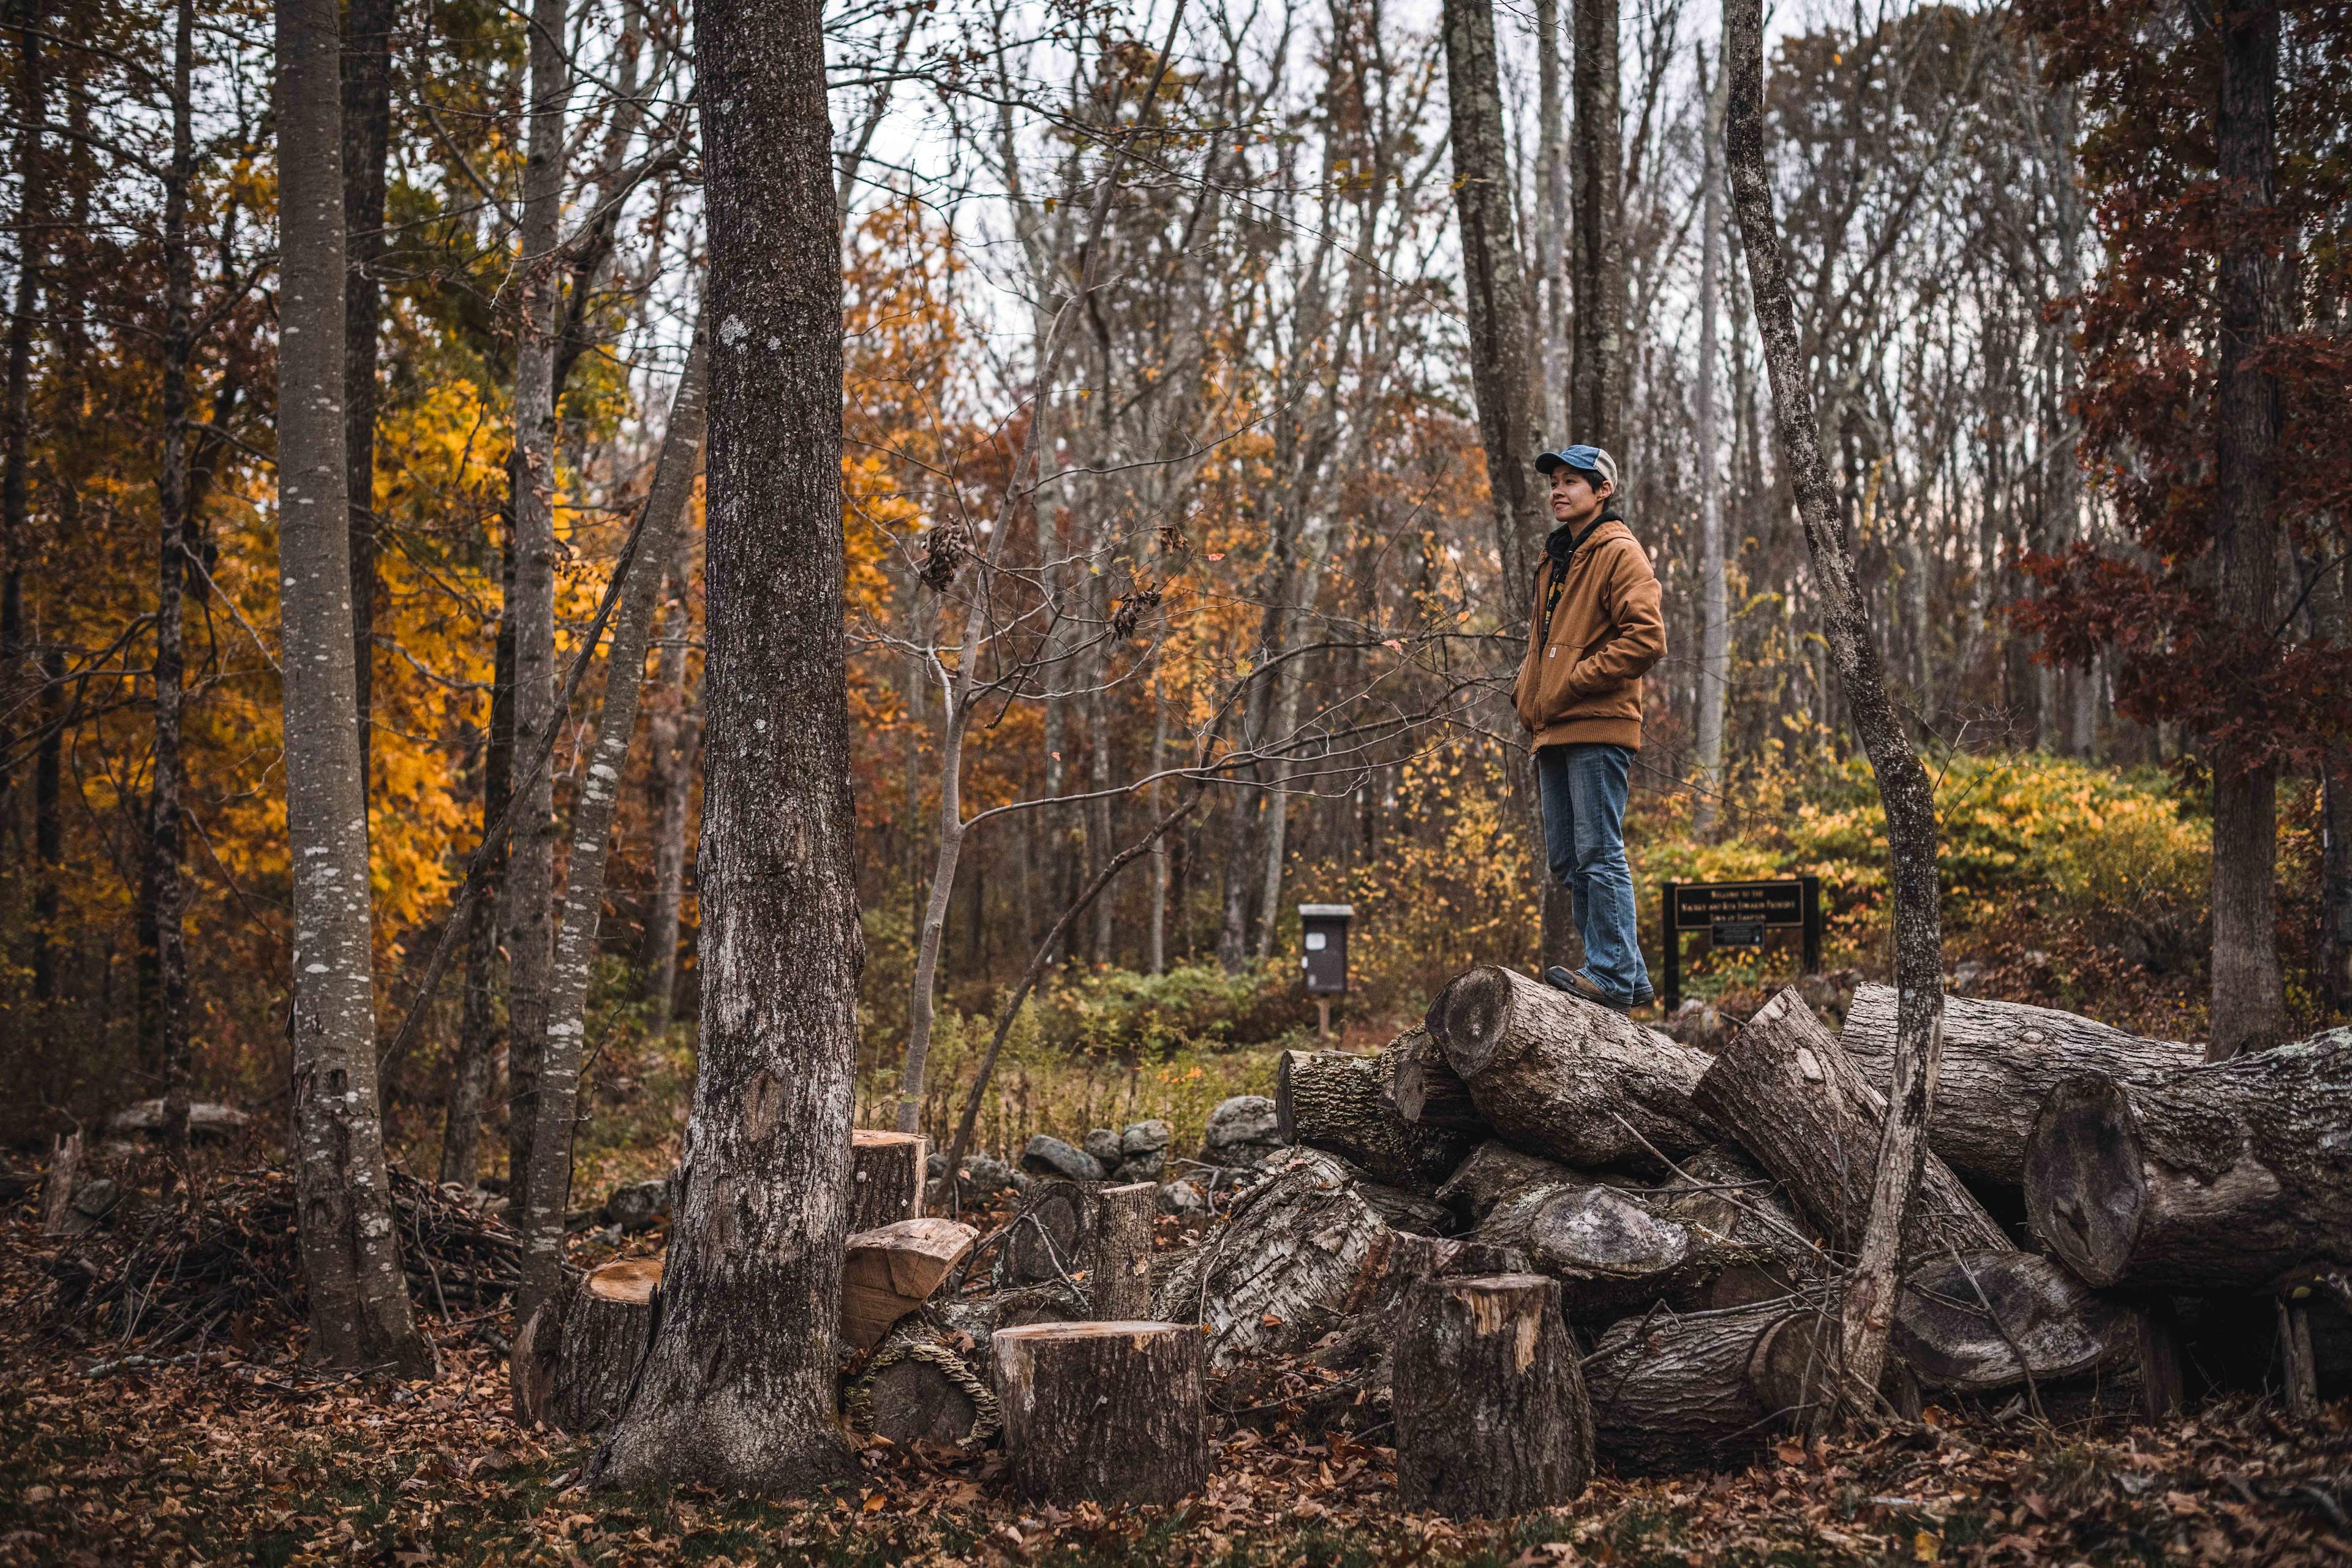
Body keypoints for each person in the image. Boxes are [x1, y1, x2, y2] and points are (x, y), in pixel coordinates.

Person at [1512, 443, 1665, 1011]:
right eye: (1553, 479)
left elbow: (1647, 638)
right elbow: (1542, 645)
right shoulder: (1558, 558)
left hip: (1597, 722)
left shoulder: (1619, 551)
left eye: (1573, 480)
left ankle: (1609, 975)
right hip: (1552, 725)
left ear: (1603, 491)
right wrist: (1527, 693)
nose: (1558, 489)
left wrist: (1575, 681)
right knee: (1568, 860)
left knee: (1598, 851)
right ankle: (1629, 971)